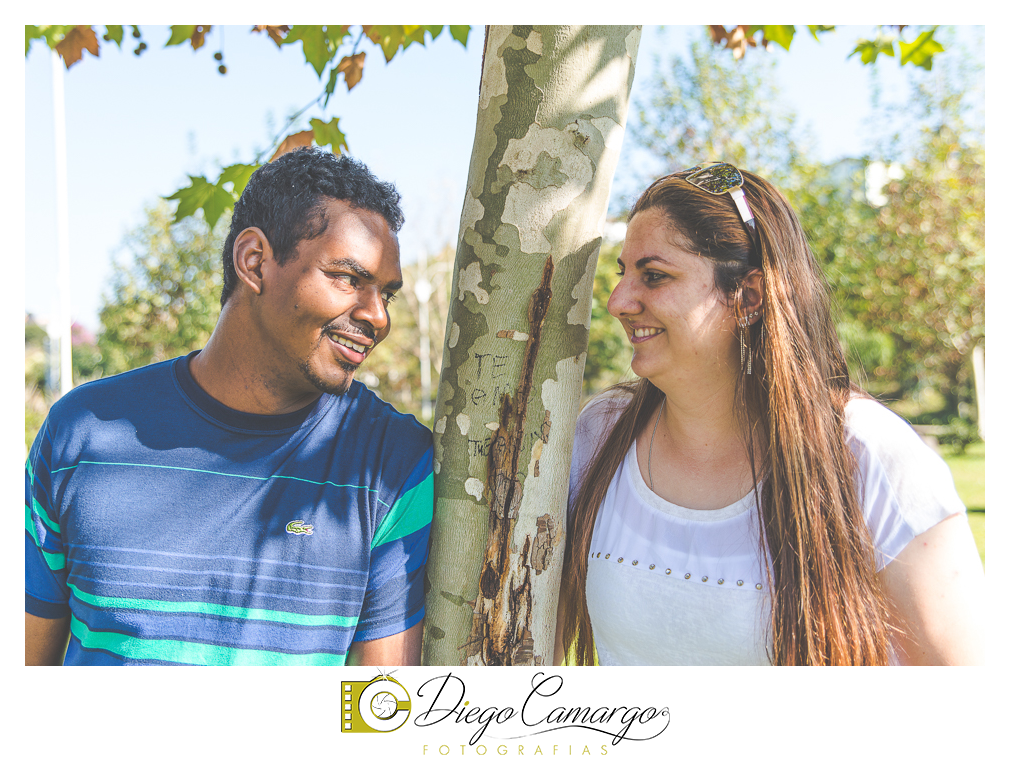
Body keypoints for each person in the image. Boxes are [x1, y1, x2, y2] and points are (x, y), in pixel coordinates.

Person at [556, 163, 984, 666]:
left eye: (654, 276)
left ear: (749, 297)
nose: (617, 301)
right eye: (622, 273)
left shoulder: (868, 455)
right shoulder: (599, 434)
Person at [26, 147, 434, 666]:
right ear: (255, 262)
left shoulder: (392, 464)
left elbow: (382, 718)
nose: (377, 316)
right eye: (349, 278)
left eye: (387, 294)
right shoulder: (79, 435)